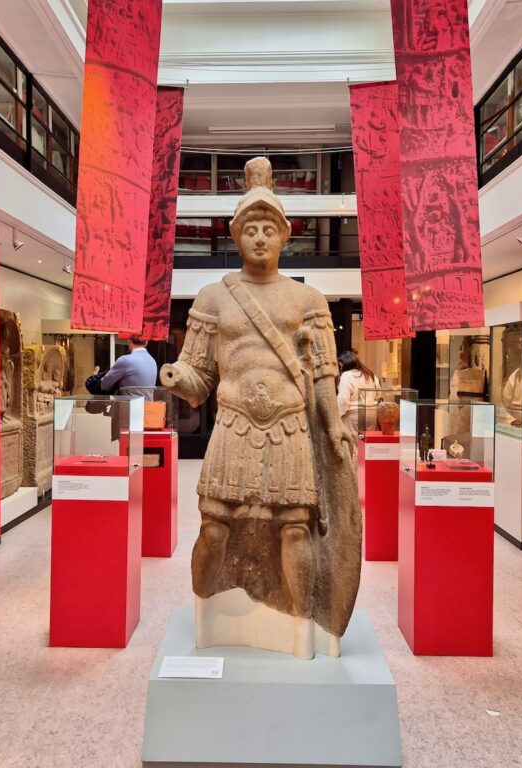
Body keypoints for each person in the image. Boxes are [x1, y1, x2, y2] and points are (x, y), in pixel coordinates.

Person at [160, 157, 361, 659]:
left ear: (285, 236)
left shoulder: (307, 298)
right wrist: (176, 378)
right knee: (214, 526)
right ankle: (208, 614)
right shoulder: (213, 297)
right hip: (233, 425)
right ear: (236, 236)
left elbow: (321, 374)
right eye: (250, 229)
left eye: (269, 229)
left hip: (290, 428)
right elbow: (199, 375)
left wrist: (334, 425)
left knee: (294, 528)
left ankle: (300, 624)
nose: (260, 238)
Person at [337, 350, 380, 440]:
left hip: (354, 416)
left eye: (340, 365)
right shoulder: (369, 374)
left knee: (354, 447)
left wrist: (338, 415)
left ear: (343, 363)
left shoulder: (347, 375)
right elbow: (378, 395)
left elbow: (343, 400)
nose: (340, 368)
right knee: (366, 442)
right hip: (371, 414)